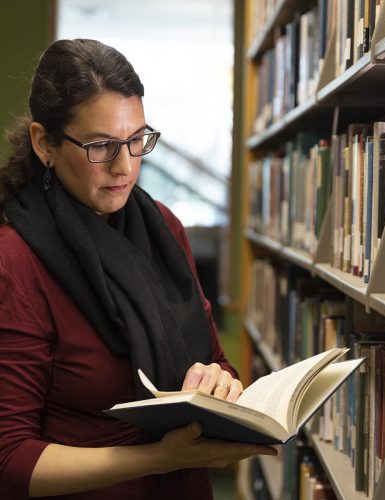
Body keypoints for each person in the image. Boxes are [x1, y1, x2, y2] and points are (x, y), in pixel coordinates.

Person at [0, 38, 276, 499]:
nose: (125, 166)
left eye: (136, 140)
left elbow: (216, 359)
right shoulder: (16, 261)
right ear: (44, 143)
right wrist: (162, 457)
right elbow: (9, 460)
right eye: (101, 145)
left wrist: (219, 384)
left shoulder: (163, 228)